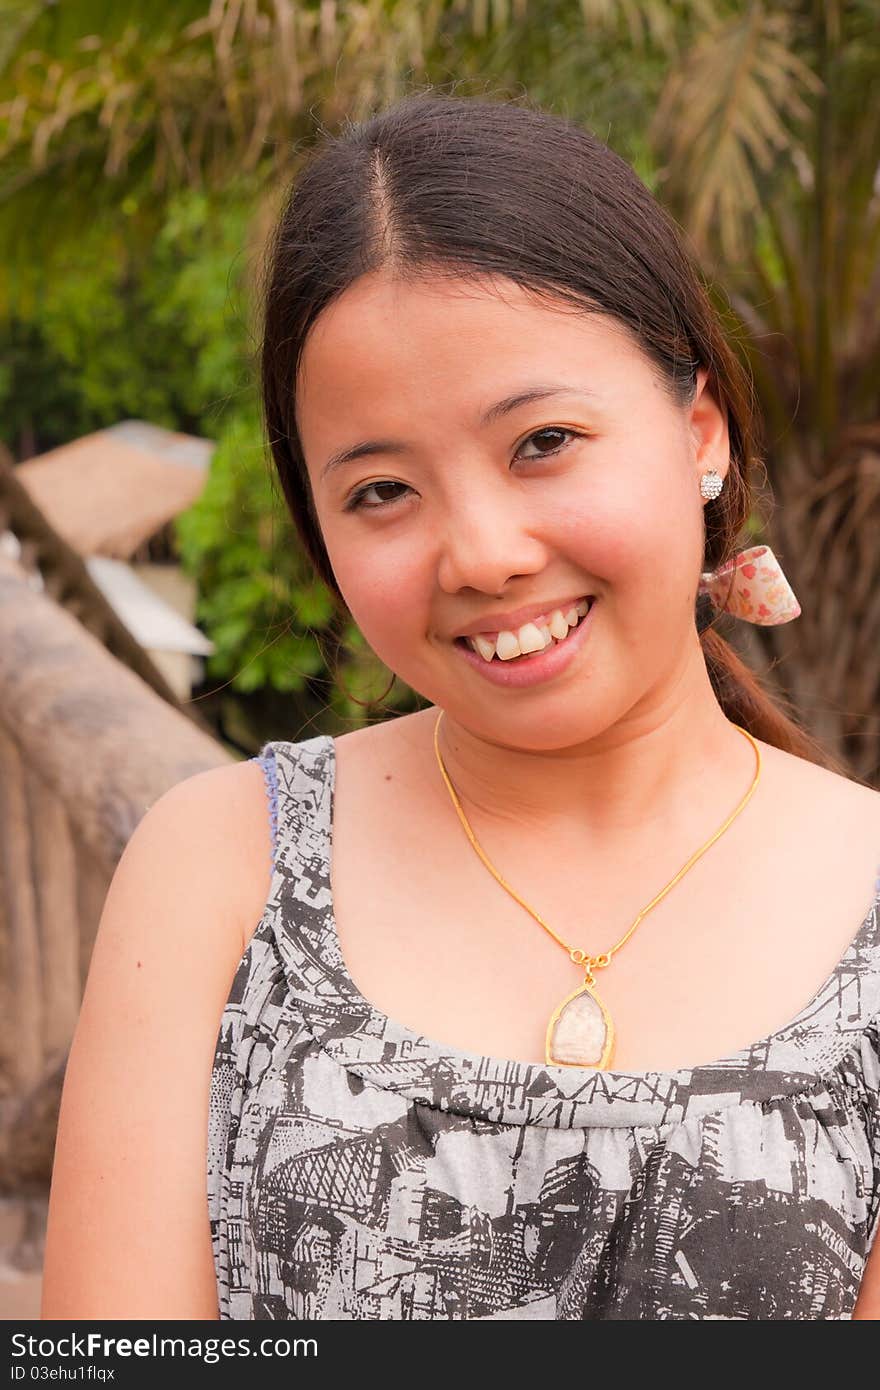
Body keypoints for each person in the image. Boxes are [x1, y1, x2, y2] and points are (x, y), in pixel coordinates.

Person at [41, 92, 880, 1321]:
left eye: (542, 441)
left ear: (697, 432)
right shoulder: (223, 870)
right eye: (382, 490)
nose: (480, 554)